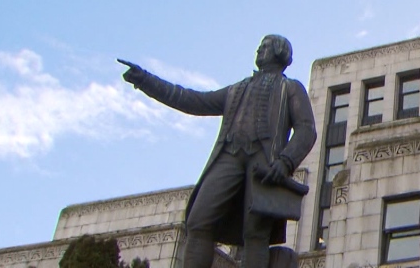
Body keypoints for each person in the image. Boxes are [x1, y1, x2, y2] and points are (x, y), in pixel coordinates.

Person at [121, 35, 316, 268]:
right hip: (229, 156)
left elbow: (306, 130)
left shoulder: (291, 88)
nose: (258, 50)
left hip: (264, 163)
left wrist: (285, 162)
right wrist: (146, 81)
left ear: (279, 51)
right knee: (198, 221)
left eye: (264, 46)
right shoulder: (237, 89)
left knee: (255, 233)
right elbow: (192, 100)